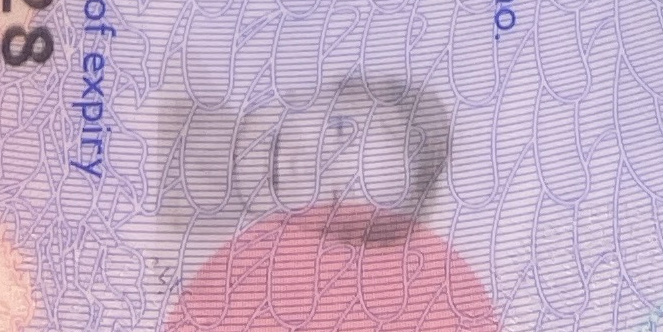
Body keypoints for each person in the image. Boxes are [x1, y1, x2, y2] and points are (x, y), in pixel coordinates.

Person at [157, 73, 451, 247]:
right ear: (316, 92)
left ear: (317, 232)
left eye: (336, 197)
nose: (308, 165)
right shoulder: (164, 74)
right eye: (338, 131)